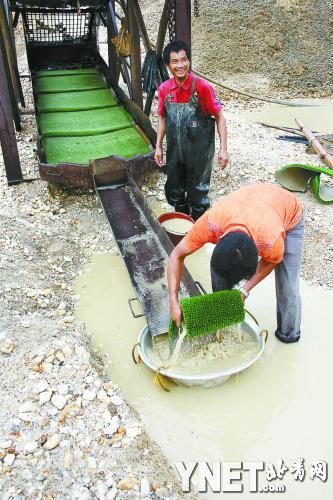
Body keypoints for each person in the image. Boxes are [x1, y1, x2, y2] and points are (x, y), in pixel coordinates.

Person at [167, 183, 305, 344]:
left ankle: (288, 335)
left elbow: (271, 262)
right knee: (220, 277)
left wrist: (245, 290)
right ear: (218, 241)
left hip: (289, 215)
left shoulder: (270, 242)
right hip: (249, 203)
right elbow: (176, 255)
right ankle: (220, 328)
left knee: (287, 286)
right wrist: (173, 300)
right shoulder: (210, 223)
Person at [154, 40, 228, 221]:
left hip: (199, 154)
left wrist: (223, 149)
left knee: (198, 193)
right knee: (174, 190)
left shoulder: (202, 87)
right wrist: (158, 146)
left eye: (184, 60)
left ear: (188, 61)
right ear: (168, 66)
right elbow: (162, 118)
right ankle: (181, 223)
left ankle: (198, 227)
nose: (180, 65)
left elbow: (219, 117)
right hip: (174, 153)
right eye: (175, 61)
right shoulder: (164, 89)